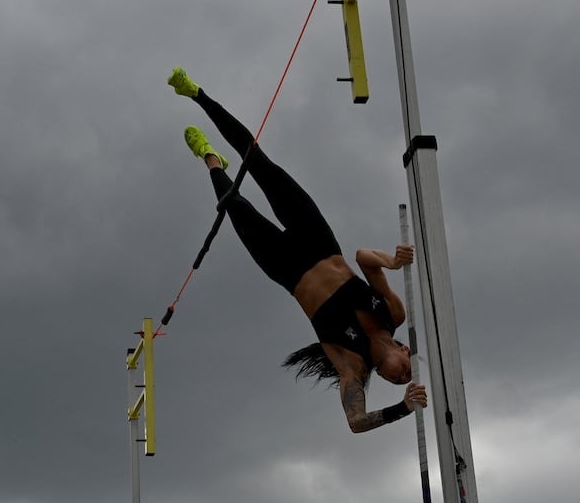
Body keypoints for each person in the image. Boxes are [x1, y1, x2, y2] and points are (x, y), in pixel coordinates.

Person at [169, 66, 428, 433]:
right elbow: (363, 259)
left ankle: (209, 159)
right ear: (404, 351)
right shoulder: (393, 314)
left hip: (286, 269)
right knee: (258, 162)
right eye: (407, 372)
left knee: (233, 204)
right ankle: (197, 94)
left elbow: (355, 422)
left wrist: (402, 408)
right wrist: (391, 259)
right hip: (319, 241)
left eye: (397, 382)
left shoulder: (351, 366)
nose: (401, 377)